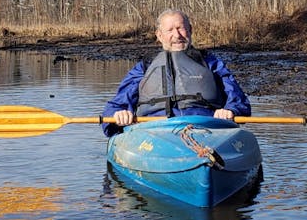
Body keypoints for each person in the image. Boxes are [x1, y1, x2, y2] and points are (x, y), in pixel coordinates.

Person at [102, 9, 251, 137]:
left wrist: (230, 110)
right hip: (155, 131)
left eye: (181, 28)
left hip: (205, 128)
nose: (177, 35)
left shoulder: (211, 63)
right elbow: (116, 105)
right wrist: (119, 114)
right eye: (170, 30)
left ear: (190, 30)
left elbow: (238, 99)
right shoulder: (144, 67)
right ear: (159, 35)